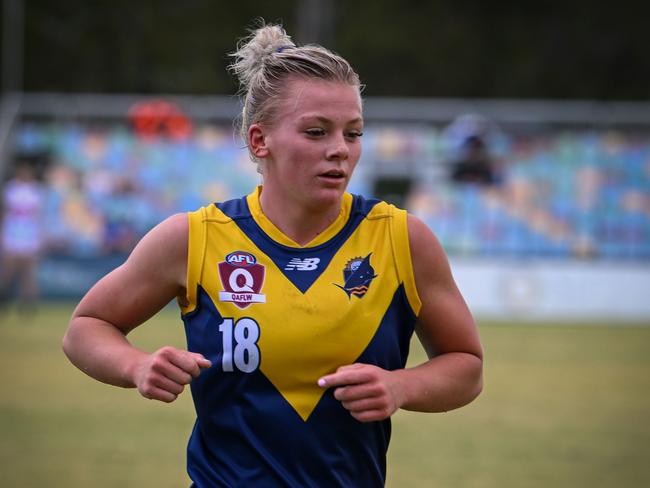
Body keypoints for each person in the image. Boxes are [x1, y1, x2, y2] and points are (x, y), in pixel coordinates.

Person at [62, 22, 483, 487]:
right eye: (317, 132)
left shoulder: (402, 238)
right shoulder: (194, 238)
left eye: (354, 133)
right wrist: (136, 366)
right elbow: (86, 328)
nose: (340, 150)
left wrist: (402, 386)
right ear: (261, 141)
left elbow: (466, 364)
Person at [0, 160, 45, 313]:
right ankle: (4, 299)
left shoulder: (35, 190)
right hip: (12, 234)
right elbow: (6, 212)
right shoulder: (11, 189)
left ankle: (28, 304)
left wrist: (39, 237)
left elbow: (38, 215)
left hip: (29, 235)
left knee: (28, 272)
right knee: (8, 271)